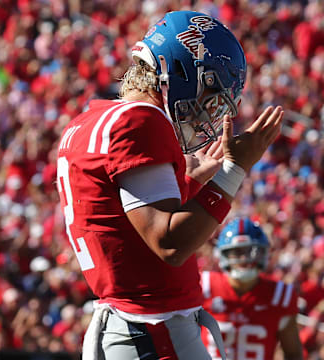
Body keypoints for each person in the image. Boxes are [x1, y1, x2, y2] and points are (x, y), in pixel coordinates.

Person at [56, 10, 284, 360]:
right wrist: (234, 169)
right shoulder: (140, 121)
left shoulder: (88, 120)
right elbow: (169, 244)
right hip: (153, 330)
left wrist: (190, 181)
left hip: (132, 327)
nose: (210, 111)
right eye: (210, 92)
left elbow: (127, 225)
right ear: (177, 71)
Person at [201, 217, 303, 360]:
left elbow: (293, 353)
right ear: (223, 254)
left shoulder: (280, 295)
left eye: (251, 251)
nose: (244, 259)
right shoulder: (204, 286)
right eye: (237, 252)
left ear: (264, 253)